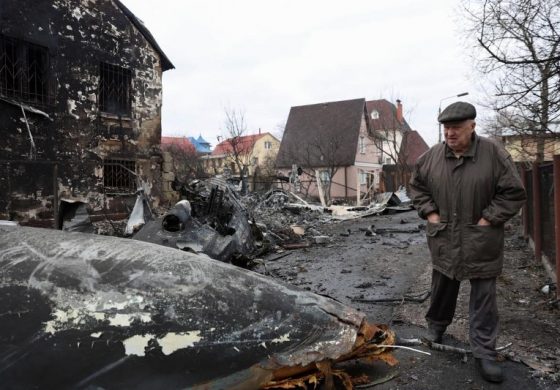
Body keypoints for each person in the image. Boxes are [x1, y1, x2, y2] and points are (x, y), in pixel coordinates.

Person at [409, 101, 526, 383]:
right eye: (446, 128)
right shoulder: (431, 157)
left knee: (484, 299)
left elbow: (513, 193)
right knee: (442, 286)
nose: (450, 133)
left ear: (472, 126)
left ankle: (484, 352)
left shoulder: (493, 154)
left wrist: (489, 218)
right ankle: (436, 327)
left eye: (456, 128)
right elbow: (416, 187)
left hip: (481, 239)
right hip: (445, 237)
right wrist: (431, 213)